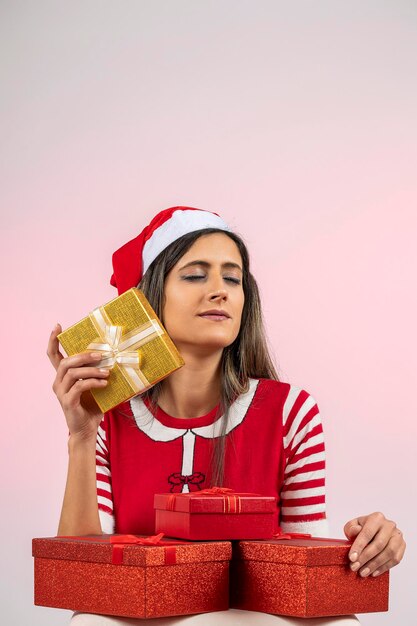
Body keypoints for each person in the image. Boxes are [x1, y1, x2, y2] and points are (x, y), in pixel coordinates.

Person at [47, 206, 405, 626]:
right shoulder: (109, 419)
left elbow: (302, 563)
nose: (220, 291)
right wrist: (82, 436)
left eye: (232, 278)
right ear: (146, 299)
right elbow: (80, 574)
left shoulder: (291, 412)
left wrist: (370, 543)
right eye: (196, 275)